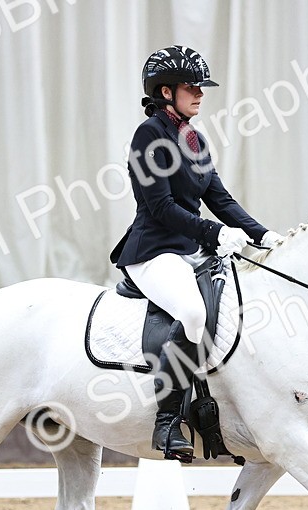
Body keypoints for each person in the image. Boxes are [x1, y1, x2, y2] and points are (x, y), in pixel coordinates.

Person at [111, 45, 284, 461]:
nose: (200, 94)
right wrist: (214, 232)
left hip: (191, 249)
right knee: (192, 313)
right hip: (154, 251)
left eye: (201, 87)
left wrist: (264, 235)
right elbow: (161, 207)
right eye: (192, 87)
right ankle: (167, 421)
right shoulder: (148, 135)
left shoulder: (194, 138)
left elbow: (218, 197)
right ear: (165, 92)